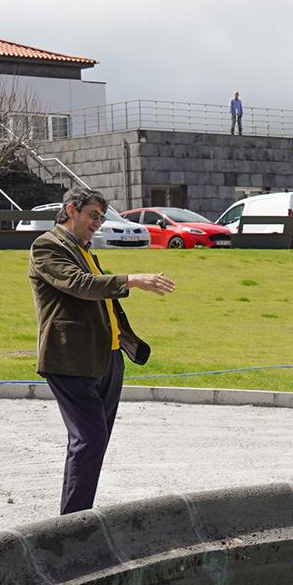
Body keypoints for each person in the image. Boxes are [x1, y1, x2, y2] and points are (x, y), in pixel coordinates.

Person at [29, 188, 176, 512]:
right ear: (71, 210)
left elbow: (96, 293)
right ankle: (73, 524)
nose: (98, 222)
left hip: (107, 357)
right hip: (69, 359)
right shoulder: (47, 246)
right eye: (93, 215)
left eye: (101, 217)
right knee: (90, 439)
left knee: (94, 442)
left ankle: (76, 518)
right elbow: (79, 285)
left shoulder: (84, 250)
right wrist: (133, 279)